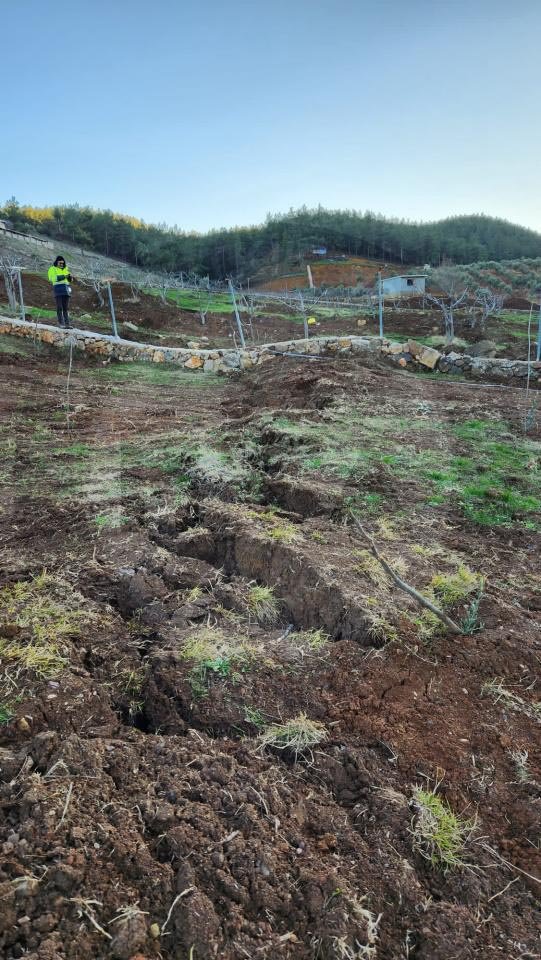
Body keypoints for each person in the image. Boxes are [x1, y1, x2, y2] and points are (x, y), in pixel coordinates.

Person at [47, 255, 73, 328]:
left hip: (66, 289)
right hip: (58, 288)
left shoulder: (66, 269)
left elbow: (69, 280)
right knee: (59, 307)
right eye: (60, 263)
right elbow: (52, 278)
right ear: (56, 262)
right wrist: (64, 276)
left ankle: (67, 324)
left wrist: (70, 278)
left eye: (62, 263)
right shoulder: (52, 269)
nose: (61, 264)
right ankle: (61, 324)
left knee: (65, 308)